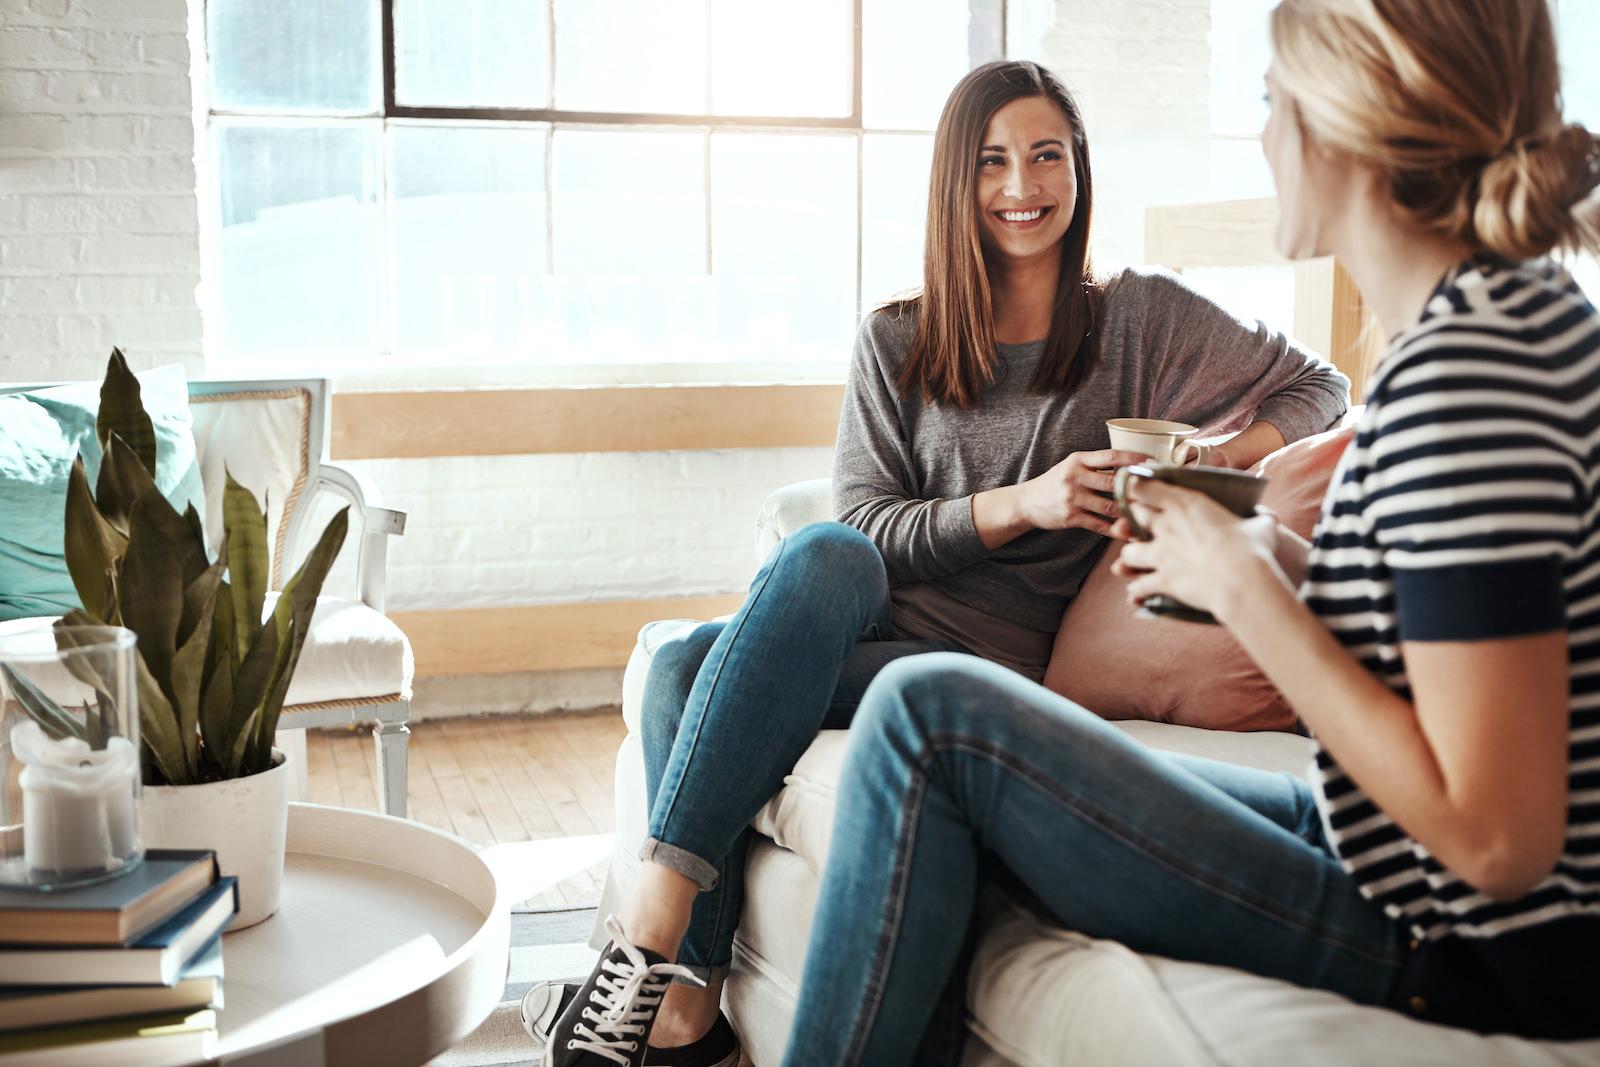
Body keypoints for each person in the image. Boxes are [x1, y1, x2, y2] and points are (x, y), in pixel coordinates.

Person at [778, 1, 1600, 1062]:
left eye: (1270, 102)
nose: (1261, 138)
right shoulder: (1489, 325)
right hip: (1382, 853)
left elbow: (1498, 838)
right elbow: (1448, 636)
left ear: (1353, 121)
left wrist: (1251, 592)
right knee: (905, 706)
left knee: (928, 714)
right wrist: (1263, 556)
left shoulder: (1470, 378)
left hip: (1461, 937)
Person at [527, 60, 1349, 1067]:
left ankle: (661, 977)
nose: (1022, 185)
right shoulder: (895, 338)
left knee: (682, 666)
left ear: (1078, 172)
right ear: (957, 182)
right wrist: (1020, 505)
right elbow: (867, 525)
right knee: (819, 556)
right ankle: (681, 994)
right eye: (993, 161)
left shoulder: (1139, 319)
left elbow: (1319, 386)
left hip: (989, 674)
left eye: (1047, 155)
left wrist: (1210, 455)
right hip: (869, 629)